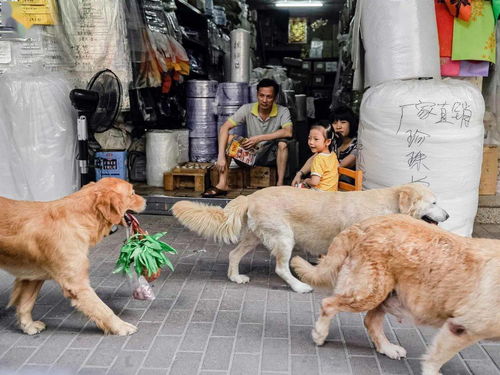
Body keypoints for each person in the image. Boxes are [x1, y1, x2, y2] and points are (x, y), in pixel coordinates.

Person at [203, 78, 293, 197]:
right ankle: (222, 184)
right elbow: (224, 128)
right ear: (257, 95)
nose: (264, 100)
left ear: (275, 97)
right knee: (230, 139)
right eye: (261, 95)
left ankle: (280, 184)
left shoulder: (283, 111)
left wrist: (259, 138)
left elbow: (288, 132)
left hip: (271, 156)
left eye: (269, 97)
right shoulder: (247, 109)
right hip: (250, 155)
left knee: (283, 144)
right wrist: (220, 157)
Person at [291, 105, 358, 187]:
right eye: (335, 122)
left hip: (344, 184)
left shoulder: (357, 145)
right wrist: (300, 174)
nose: (338, 126)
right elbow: (314, 158)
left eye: (343, 122)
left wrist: (308, 180)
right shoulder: (332, 142)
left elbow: (339, 165)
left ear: (351, 124)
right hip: (327, 182)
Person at [297, 124, 339, 192]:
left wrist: (306, 181)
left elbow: (314, 182)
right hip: (332, 192)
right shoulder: (333, 155)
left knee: (297, 188)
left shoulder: (318, 159)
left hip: (320, 194)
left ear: (327, 141)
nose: (311, 142)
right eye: (309, 138)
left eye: (316, 139)